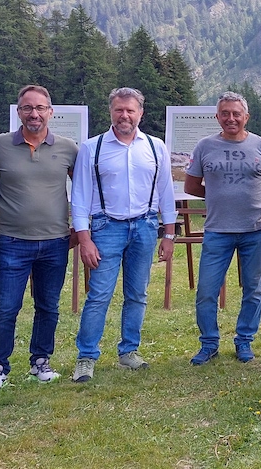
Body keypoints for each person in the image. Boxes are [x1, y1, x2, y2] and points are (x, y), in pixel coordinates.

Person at [70, 87, 177, 382]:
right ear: (110, 112)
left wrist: (168, 234)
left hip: (145, 226)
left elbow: (166, 192)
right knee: (99, 294)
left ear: (141, 113)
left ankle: (128, 352)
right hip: (106, 227)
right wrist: (84, 238)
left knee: (137, 294)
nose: (124, 115)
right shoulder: (93, 148)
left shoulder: (156, 147)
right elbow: (79, 196)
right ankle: (86, 357)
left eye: (130, 110)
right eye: (119, 110)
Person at [0, 85, 79, 392]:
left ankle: (40, 362)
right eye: (27, 108)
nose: (33, 114)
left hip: (55, 241)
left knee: (48, 306)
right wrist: (8, 201)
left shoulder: (68, 148)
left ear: (51, 112)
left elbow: (84, 190)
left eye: (40, 108)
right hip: (13, 241)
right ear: (18, 112)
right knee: (6, 307)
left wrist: (80, 227)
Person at [184, 92, 261, 365]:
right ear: (217, 117)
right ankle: (209, 343)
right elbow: (191, 186)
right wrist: (219, 196)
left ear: (246, 117)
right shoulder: (204, 146)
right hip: (217, 229)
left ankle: (244, 341)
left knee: (253, 289)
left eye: (236, 114)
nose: (231, 118)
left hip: (255, 229)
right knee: (206, 291)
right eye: (225, 113)